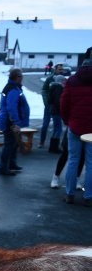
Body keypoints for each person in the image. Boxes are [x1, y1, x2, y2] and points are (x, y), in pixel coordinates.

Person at [60, 56, 92, 205]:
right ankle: (88, 196)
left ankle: (69, 194)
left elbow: (64, 104)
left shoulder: (72, 81)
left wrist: (68, 121)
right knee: (90, 163)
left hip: (75, 127)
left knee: (73, 160)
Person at [0, 68, 30, 176]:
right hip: (10, 122)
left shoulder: (14, 88)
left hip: (10, 121)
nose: (22, 78)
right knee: (9, 144)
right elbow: (11, 107)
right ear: (17, 77)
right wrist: (15, 122)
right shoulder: (13, 90)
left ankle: (11, 164)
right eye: (21, 76)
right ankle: (3, 168)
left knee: (14, 143)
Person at [39, 62, 64, 147]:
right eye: (59, 69)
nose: (61, 71)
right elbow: (43, 91)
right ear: (55, 69)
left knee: (57, 125)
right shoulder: (50, 79)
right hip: (49, 106)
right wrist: (47, 103)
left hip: (57, 107)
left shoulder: (63, 79)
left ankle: (54, 144)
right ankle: (41, 142)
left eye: (62, 69)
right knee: (45, 124)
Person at [46, 74, 65, 153]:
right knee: (58, 129)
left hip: (53, 110)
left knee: (56, 128)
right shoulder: (59, 88)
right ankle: (54, 147)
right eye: (63, 80)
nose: (64, 82)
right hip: (57, 110)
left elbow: (50, 100)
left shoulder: (52, 87)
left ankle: (52, 147)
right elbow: (58, 101)